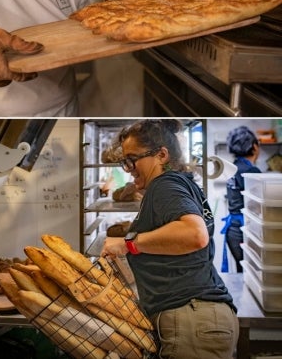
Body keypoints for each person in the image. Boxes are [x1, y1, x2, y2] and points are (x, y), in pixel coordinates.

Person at [101, 120, 238, 359]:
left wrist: (127, 243)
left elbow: (194, 234)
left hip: (191, 320)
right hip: (200, 318)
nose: (128, 168)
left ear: (162, 155)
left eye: (132, 159)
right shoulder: (179, 183)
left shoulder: (164, 185)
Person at [221, 125, 261, 273]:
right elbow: (259, 205)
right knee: (254, 274)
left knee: (243, 272)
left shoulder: (233, 167)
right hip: (247, 229)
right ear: (255, 147)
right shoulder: (252, 171)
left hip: (233, 230)